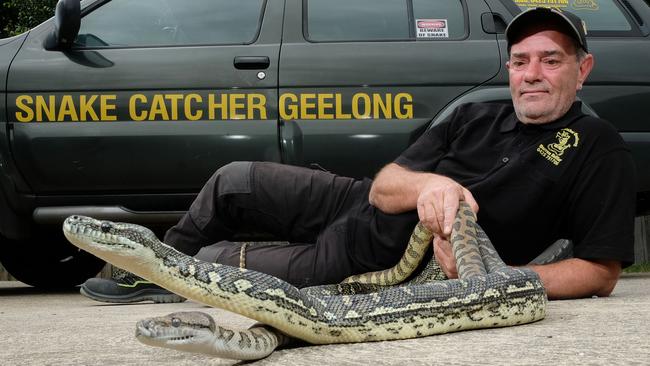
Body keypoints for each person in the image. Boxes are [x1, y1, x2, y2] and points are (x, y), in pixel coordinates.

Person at [80, 7, 635, 303]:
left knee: (211, 268)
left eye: (551, 60)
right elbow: (385, 182)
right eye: (520, 60)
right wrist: (429, 187)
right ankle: (146, 275)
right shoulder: (476, 113)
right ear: (509, 67)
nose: (532, 74)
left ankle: (180, 270)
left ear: (582, 69)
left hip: (374, 262)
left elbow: (600, 271)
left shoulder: (597, 147)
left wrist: (499, 279)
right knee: (233, 180)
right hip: (352, 201)